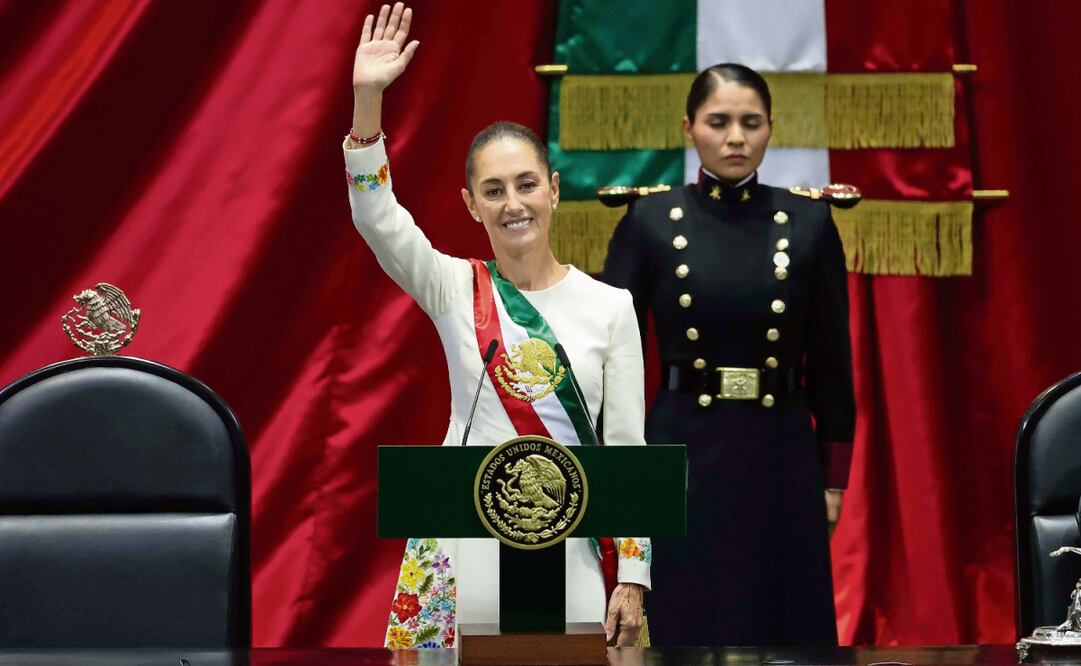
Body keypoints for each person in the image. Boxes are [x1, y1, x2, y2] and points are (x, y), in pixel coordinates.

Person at [344, 3, 651, 650]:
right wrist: (368, 101)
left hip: (568, 547)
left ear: (553, 189)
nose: (513, 203)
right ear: (470, 204)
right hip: (459, 542)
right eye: (493, 190)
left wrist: (632, 576)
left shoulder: (610, 307)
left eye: (526, 184)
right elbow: (377, 217)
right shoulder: (452, 286)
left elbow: (626, 454)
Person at [603, 63, 855, 646]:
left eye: (751, 122)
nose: (736, 137)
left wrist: (833, 480)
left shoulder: (809, 221)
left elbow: (832, 363)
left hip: (780, 449)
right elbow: (613, 360)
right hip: (681, 451)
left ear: (771, 129)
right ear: (688, 128)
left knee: (787, 628)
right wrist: (621, 475)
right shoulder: (649, 221)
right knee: (687, 622)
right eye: (718, 122)